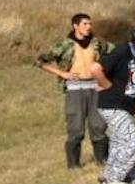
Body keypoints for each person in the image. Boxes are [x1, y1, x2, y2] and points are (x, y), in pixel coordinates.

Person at [35, 13, 113, 169]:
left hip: (95, 87)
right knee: (76, 128)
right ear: (75, 26)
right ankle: (74, 165)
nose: (89, 27)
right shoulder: (65, 45)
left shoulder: (97, 44)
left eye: (90, 24)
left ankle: (103, 160)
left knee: (99, 125)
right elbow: (40, 61)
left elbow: (114, 53)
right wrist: (62, 73)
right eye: (85, 24)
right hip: (75, 89)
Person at [89, 24, 135, 184]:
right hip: (112, 104)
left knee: (120, 144)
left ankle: (130, 182)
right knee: (133, 142)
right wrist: (106, 85)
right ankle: (111, 180)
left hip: (127, 105)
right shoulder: (122, 51)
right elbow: (95, 69)